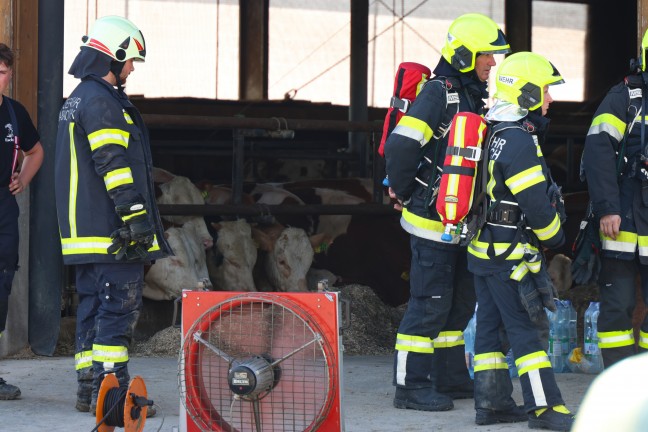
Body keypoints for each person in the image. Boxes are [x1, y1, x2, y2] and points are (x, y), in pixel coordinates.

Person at [383, 13, 511, 414]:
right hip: (430, 223)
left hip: (460, 223)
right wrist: (403, 192)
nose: (493, 63)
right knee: (428, 304)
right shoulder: (439, 92)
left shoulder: (471, 93)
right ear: (464, 54)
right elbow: (403, 147)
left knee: (458, 304)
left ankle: (451, 377)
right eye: (488, 55)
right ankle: (409, 387)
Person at [54, 16, 172, 415]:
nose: (132, 69)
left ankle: (89, 390)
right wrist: (135, 216)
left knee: (91, 307)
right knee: (118, 309)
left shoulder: (77, 99)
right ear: (115, 55)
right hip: (112, 232)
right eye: (130, 61)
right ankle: (115, 398)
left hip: (83, 235)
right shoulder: (103, 101)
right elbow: (112, 162)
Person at [467, 52, 574, 431]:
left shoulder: (492, 130)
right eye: (544, 90)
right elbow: (537, 207)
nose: (550, 99)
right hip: (510, 256)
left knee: (490, 330)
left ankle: (492, 405)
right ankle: (544, 409)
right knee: (526, 330)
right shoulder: (519, 142)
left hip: (484, 251)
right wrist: (557, 238)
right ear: (526, 93)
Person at [580, 29, 648, 369]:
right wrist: (608, 208)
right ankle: (618, 382)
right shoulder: (624, 97)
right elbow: (598, 152)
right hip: (621, 221)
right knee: (618, 306)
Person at [0, 43, 44, 400]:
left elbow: (36, 150)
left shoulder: (15, 114)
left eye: (1, 72)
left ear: (10, 75)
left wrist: (23, 178)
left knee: (1, 288)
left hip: (3, 208)